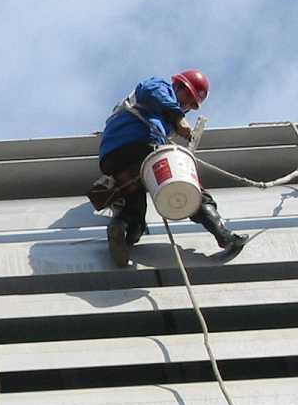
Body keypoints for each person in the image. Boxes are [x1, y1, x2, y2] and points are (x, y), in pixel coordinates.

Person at [98, 69, 245, 266]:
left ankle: (121, 230)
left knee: (134, 210)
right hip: (140, 146)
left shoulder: (157, 118)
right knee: (187, 186)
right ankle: (224, 235)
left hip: (114, 156)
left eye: (192, 106)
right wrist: (178, 118)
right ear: (178, 85)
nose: (186, 107)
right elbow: (153, 93)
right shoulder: (160, 86)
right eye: (187, 99)